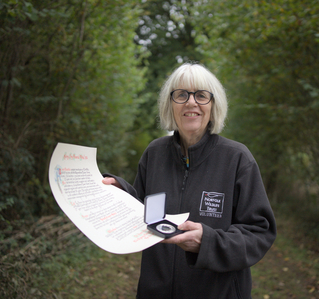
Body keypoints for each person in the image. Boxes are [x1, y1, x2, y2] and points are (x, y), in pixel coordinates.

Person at [102, 63, 276, 299]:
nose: (191, 102)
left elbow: (259, 232)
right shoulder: (154, 154)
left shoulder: (237, 159)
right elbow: (143, 213)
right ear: (170, 104)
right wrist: (120, 194)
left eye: (201, 95)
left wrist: (208, 242)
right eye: (181, 95)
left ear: (213, 105)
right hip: (155, 291)